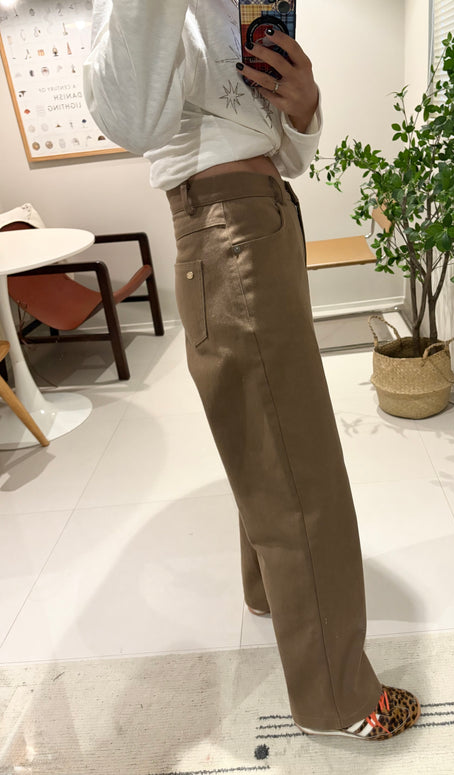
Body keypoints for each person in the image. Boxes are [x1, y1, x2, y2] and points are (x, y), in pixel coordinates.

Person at [83, 1, 420, 742]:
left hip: (261, 214)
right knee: (301, 465)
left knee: (266, 435)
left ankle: (268, 588)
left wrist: (303, 108)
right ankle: (337, 699)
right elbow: (130, 118)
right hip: (229, 223)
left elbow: (285, 153)